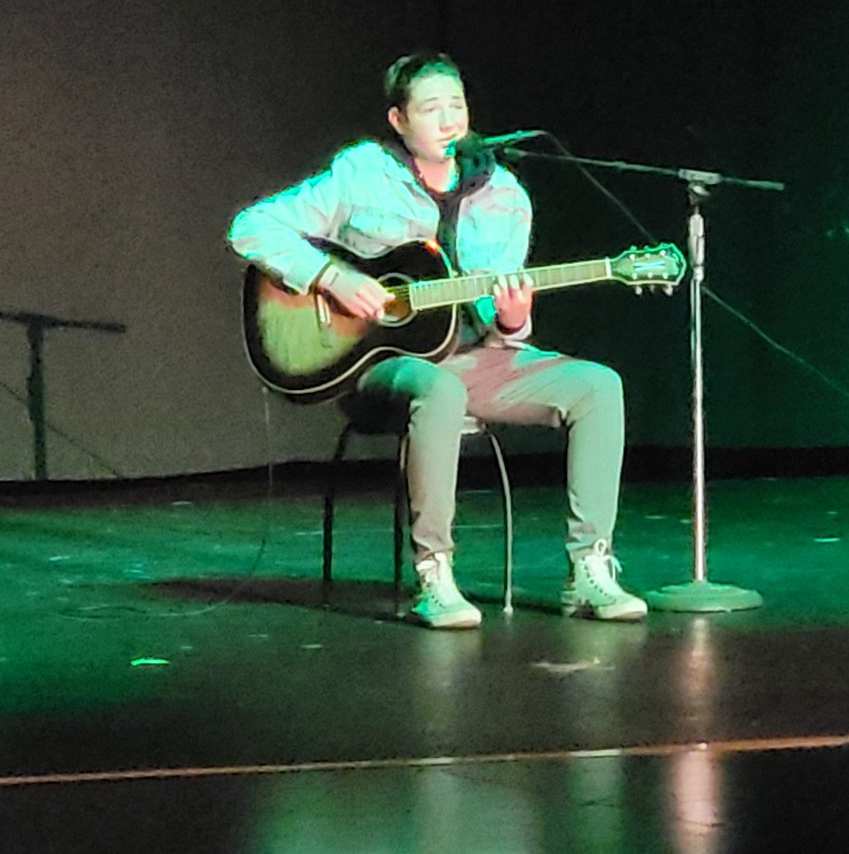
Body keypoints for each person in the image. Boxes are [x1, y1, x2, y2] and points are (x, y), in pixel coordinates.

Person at [228, 52, 647, 629]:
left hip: (475, 358)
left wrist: (513, 320)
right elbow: (251, 227)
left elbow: (499, 320)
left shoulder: (504, 195)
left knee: (598, 385)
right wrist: (334, 277)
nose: (449, 120)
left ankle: (589, 570)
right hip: (375, 365)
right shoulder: (362, 173)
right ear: (399, 121)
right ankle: (435, 574)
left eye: (457, 105)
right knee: (440, 388)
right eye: (431, 109)